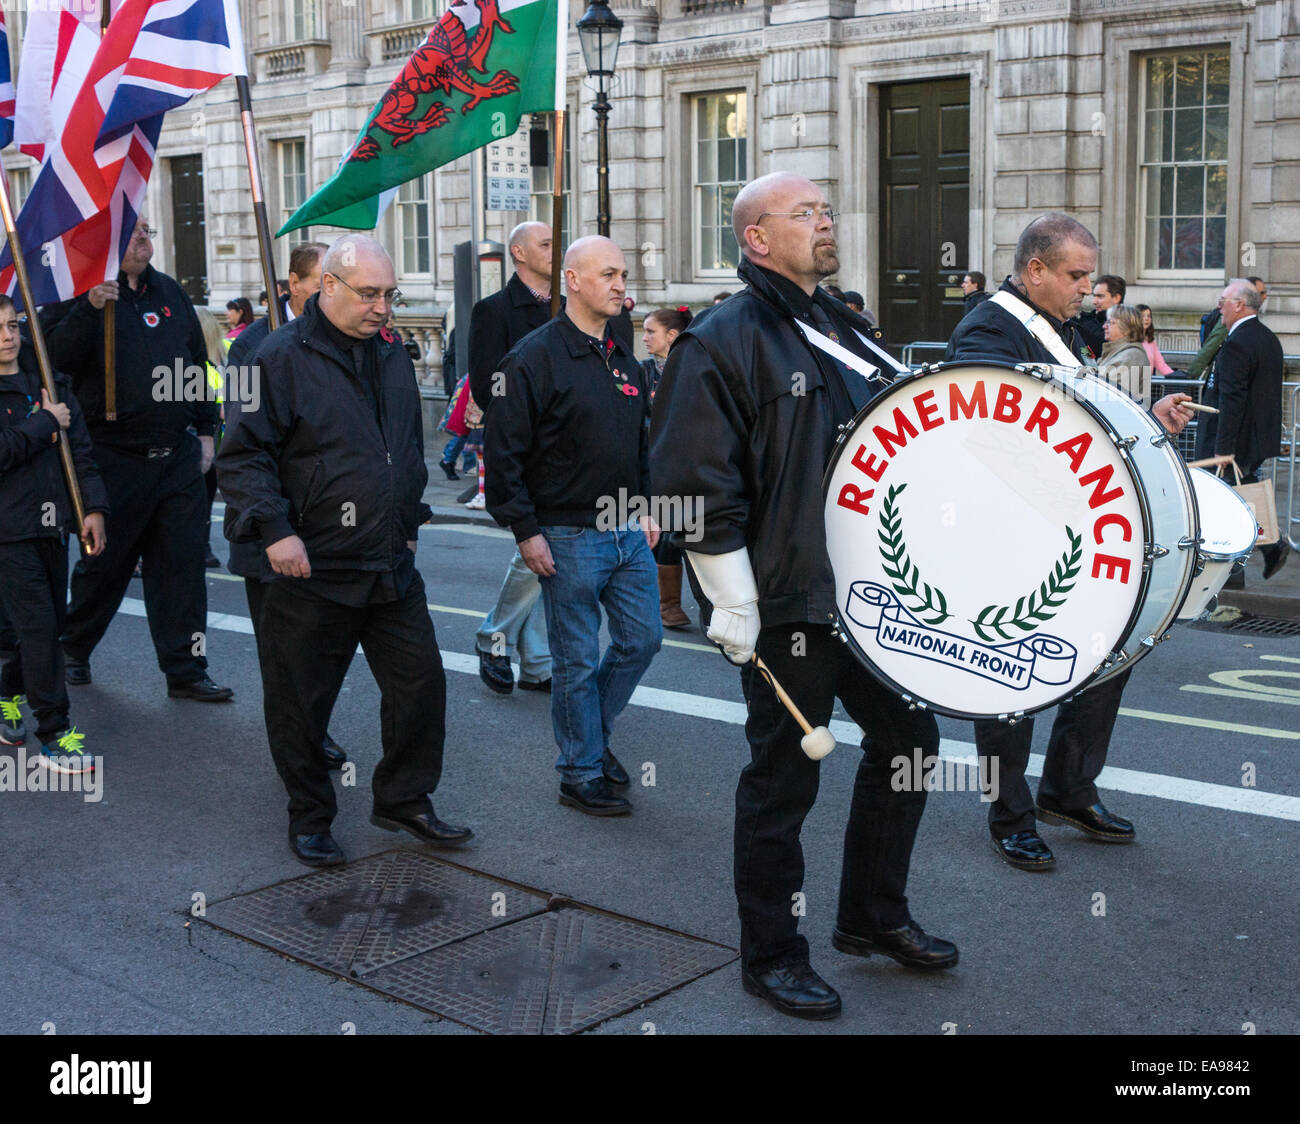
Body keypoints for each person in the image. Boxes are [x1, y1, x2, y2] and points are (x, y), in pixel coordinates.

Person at [652, 172, 956, 1021]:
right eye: (806, 214)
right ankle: (773, 956)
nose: (827, 222)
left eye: (828, 209)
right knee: (783, 784)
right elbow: (688, 482)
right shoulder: (720, 339)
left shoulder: (841, 323)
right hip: (787, 604)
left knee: (911, 743)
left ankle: (871, 918)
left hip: (867, 596)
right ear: (756, 238)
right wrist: (729, 598)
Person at [946, 213, 1194, 872]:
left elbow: (1083, 407)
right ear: (1035, 271)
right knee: (1010, 675)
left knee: (1111, 649)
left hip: (1067, 528)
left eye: (1088, 276)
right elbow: (985, 434)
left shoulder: (1054, 327)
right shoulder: (986, 329)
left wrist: (1147, 417)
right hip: (1006, 533)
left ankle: (1067, 789)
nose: (1088, 289)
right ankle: (1011, 814)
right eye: (1076, 275)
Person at [218, 235, 470, 867]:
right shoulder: (272, 358)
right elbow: (243, 455)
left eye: (391, 294)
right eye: (371, 294)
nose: (384, 307)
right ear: (327, 286)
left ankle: (403, 799)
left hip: (388, 561)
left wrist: (411, 516)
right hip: (314, 564)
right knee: (301, 701)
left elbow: (401, 446)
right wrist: (275, 530)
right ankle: (309, 815)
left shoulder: (389, 355)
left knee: (420, 687)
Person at [486, 236, 662, 817]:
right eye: (608, 273)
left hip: (626, 530)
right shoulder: (533, 357)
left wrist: (648, 504)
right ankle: (579, 770)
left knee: (643, 640)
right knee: (578, 659)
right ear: (573, 280)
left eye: (624, 273)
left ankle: (591, 735)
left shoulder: (623, 354)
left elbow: (640, 441)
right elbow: (504, 452)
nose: (620, 284)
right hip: (566, 534)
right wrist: (524, 530)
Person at [43, 217, 232, 701]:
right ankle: (73, 649)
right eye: (131, 230)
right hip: (112, 457)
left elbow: (196, 367)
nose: (143, 237)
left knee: (182, 570)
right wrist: (88, 309)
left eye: (147, 228)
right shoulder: (81, 295)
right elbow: (54, 361)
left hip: (176, 457)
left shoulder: (169, 293)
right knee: (105, 565)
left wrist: (207, 431)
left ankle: (186, 671)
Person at [222, 241, 346, 770]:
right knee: (282, 654)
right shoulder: (254, 345)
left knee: (320, 650)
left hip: (328, 528)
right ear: (293, 284)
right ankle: (298, 754)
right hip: (270, 527)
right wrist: (272, 523)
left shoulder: (346, 339)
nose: (328, 292)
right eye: (321, 281)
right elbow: (244, 443)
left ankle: (313, 731)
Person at [0, 295, 109, 772]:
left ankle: (6, 691)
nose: (7, 336)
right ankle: (55, 732)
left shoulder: (49, 383)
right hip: (7, 531)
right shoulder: (43, 406)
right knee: (40, 628)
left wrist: (92, 508)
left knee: (48, 625)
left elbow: (80, 454)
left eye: (12, 325)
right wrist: (44, 423)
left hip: (51, 525)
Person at [468, 221, 557, 695]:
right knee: (542, 546)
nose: (555, 249)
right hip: (525, 445)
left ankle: (539, 661)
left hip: (571, 447)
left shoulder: (570, 303)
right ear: (518, 253)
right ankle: (493, 637)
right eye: (546, 243)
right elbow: (486, 385)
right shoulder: (493, 311)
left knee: (554, 549)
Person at [1195, 279, 1288, 583]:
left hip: (1233, 440)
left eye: (1223, 300)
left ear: (1239, 304)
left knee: (1226, 505)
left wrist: (1223, 449)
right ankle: (1270, 547)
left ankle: (1233, 574)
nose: (1218, 307)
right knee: (1242, 495)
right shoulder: (1266, 337)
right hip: (1255, 439)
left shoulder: (1238, 342)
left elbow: (1232, 399)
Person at [641, 306, 694, 630]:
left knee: (696, 535)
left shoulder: (690, 368)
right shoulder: (644, 371)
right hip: (656, 468)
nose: (644, 337)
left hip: (690, 467)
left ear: (671, 336)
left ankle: (710, 607)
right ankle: (667, 606)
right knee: (663, 536)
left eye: (651, 331)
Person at [1189, 276, 1267, 383]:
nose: (1265, 297)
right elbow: (1210, 348)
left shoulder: (1260, 329)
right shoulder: (1228, 319)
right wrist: (1189, 378)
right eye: (1261, 293)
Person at [195, 308, 226, 568]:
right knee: (203, 499)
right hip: (218, 442)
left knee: (199, 498)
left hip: (206, 439)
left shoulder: (197, 364)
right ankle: (202, 547)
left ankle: (200, 547)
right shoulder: (226, 356)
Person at [1099, 303, 1152, 407]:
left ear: (1127, 328)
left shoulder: (1132, 356)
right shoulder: (1119, 352)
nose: (1104, 326)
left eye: (1110, 322)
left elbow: (1112, 399)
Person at [1074, 273, 1125, 358]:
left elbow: (1092, 355)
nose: (1094, 301)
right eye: (1094, 296)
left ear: (1116, 298)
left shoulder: (1125, 327)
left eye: (1100, 297)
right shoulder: (1087, 319)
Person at [1136, 304, 1175, 375]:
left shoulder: (1151, 341)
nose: (1146, 318)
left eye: (1149, 316)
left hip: (1145, 383)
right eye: (1143, 316)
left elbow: (1161, 365)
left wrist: (1177, 376)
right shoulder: (1129, 339)